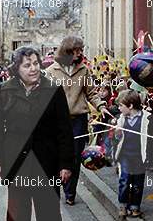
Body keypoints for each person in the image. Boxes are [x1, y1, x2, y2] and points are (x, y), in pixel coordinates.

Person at [0, 47, 74, 221]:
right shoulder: (4, 91)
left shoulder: (53, 91)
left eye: (36, 63)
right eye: (27, 65)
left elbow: (64, 131)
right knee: (17, 215)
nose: (33, 68)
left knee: (49, 213)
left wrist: (66, 164)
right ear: (17, 69)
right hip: (17, 163)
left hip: (47, 161)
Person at [45, 36, 109, 206]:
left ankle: (70, 191)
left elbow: (92, 93)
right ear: (67, 51)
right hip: (57, 121)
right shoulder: (51, 71)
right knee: (57, 156)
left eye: (81, 50)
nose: (80, 54)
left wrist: (101, 106)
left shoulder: (83, 70)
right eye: (77, 51)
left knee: (74, 158)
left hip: (78, 120)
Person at [112, 89, 153, 221]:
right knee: (125, 180)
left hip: (140, 156)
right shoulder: (121, 119)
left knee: (138, 182)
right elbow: (116, 139)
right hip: (125, 155)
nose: (119, 108)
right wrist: (117, 134)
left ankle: (135, 205)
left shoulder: (147, 118)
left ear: (130, 106)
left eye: (121, 105)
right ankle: (123, 205)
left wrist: (152, 156)